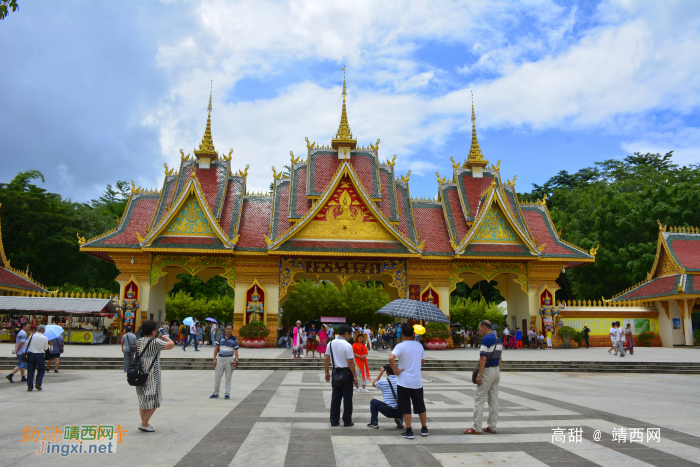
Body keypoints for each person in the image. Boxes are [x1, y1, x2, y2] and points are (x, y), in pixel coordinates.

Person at [389, 323, 428, 440]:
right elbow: (422, 361)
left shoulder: (400, 346)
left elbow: (391, 358)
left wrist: (395, 370)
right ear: (413, 334)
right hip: (417, 381)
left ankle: (409, 430)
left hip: (404, 382)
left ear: (402, 334)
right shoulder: (419, 346)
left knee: (405, 406)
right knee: (420, 405)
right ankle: (424, 428)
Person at [464, 319, 502, 435]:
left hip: (487, 371)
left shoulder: (485, 340)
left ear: (484, 328)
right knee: (494, 400)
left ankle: (476, 427)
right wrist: (497, 369)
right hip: (496, 371)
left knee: (479, 399)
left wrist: (480, 375)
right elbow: (500, 358)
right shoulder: (498, 339)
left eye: (480, 328)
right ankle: (492, 426)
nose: (479, 330)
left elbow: (483, 359)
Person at [135, 320, 174, 432]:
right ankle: (144, 423)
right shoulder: (155, 342)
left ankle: (145, 424)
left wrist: (159, 339)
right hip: (152, 375)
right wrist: (166, 337)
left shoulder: (140, 341)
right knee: (155, 400)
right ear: (153, 331)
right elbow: (171, 345)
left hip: (140, 374)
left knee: (143, 401)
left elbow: (151, 347)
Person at [324, 324, 357, 427]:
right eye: (350, 334)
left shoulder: (330, 343)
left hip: (335, 373)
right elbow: (350, 362)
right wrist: (355, 376)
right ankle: (347, 421)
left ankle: (334, 420)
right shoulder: (347, 345)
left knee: (335, 398)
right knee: (347, 398)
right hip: (346, 373)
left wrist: (326, 372)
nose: (350, 337)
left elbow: (326, 359)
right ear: (346, 333)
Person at [368, 364, 403, 429]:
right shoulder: (401, 380)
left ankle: (374, 422)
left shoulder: (383, 381)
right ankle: (400, 421)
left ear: (386, 372)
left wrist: (380, 373)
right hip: (400, 411)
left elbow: (373, 384)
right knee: (401, 402)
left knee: (373, 402)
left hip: (388, 410)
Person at [210, 323, 239, 399]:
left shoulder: (234, 339)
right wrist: (214, 359)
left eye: (230, 329)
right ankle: (215, 393)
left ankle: (227, 393)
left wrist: (236, 360)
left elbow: (236, 350)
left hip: (229, 359)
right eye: (227, 329)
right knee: (217, 377)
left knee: (228, 377)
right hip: (220, 358)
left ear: (232, 330)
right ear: (225, 329)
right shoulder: (220, 338)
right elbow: (216, 348)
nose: (228, 330)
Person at [25, 324, 49, 391]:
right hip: (40, 355)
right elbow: (46, 348)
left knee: (30, 371)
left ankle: (30, 387)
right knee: (41, 370)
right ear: (44, 331)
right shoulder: (45, 338)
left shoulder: (31, 336)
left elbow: (27, 344)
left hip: (31, 354)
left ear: (37, 330)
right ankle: (38, 384)